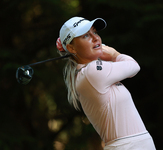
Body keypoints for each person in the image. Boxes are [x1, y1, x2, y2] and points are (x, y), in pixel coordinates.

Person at [56, 16, 156, 150]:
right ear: (71, 48)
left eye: (95, 32)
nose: (96, 38)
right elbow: (134, 66)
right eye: (86, 35)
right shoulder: (92, 71)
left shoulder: (91, 71)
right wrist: (114, 54)